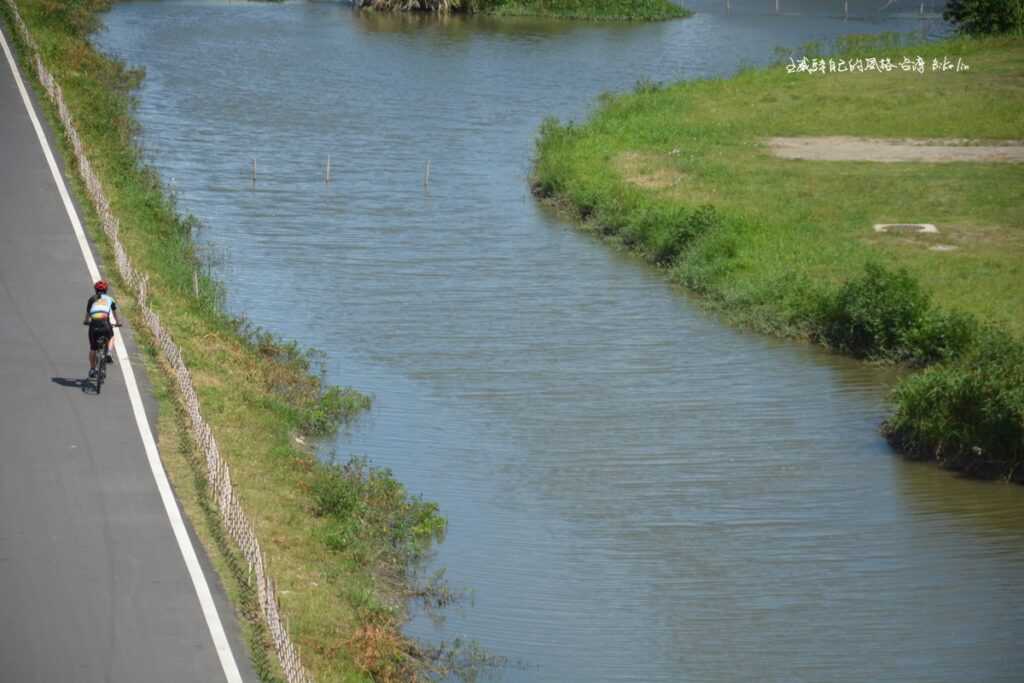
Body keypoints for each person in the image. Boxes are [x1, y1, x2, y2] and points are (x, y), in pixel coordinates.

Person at [83, 280, 120, 378]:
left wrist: (86, 321)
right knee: (111, 337)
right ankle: (108, 353)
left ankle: (92, 369)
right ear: (106, 290)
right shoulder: (110, 299)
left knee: (93, 348)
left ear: (95, 290)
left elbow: (87, 315)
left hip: (94, 324)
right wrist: (117, 322)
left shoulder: (91, 299)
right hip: (105, 324)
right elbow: (114, 314)